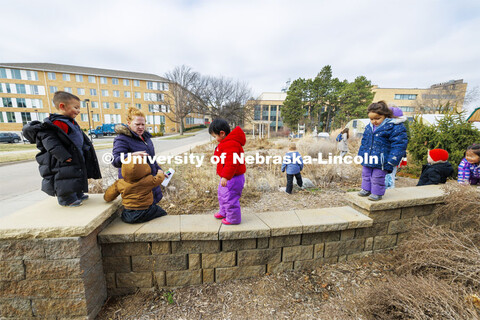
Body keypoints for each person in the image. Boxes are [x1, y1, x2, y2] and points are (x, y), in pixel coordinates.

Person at [22, 91, 101, 206]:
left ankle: (77, 193)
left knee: (76, 175)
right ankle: (66, 199)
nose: (79, 111)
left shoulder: (70, 121)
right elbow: (51, 142)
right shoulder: (57, 123)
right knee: (64, 178)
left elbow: (78, 137)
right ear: (62, 106)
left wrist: (85, 148)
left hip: (75, 155)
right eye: (76, 107)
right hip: (63, 159)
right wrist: (63, 156)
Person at [112, 107, 165, 210]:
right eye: (137, 124)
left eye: (143, 124)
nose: (141, 127)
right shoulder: (122, 139)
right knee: (142, 212)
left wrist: (160, 170)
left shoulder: (146, 138)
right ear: (129, 123)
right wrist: (131, 156)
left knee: (152, 209)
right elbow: (115, 161)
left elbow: (151, 159)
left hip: (150, 181)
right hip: (136, 187)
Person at [357, 101, 408, 201]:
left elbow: (399, 144)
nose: (374, 121)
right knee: (366, 173)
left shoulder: (393, 127)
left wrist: (393, 158)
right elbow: (364, 142)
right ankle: (366, 189)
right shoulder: (369, 127)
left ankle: (377, 193)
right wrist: (361, 154)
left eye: (377, 118)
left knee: (378, 176)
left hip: (382, 159)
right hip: (369, 157)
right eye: (371, 119)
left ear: (385, 116)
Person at [209, 118, 246, 225]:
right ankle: (224, 212)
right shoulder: (226, 142)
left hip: (233, 177)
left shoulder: (231, 144)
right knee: (222, 195)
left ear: (222, 133)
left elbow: (231, 163)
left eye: (215, 136)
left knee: (230, 197)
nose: (215, 139)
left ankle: (233, 218)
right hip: (227, 176)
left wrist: (225, 176)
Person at [385, 106, 407, 189]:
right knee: (382, 177)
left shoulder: (397, 128)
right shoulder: (387, 126)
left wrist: (392, 159)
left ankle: (389, 191)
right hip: (383, 156)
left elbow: (400, 145)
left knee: (389, 176)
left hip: (390, 158)